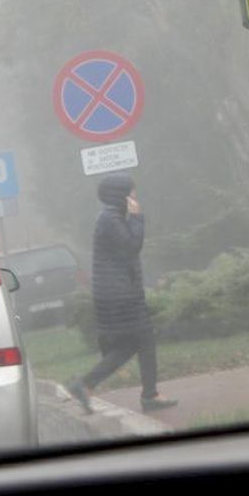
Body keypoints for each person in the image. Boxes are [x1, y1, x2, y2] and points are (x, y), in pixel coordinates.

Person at [67, 174, 177, 416]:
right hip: (120, 294)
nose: (136, 197)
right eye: (133, 192)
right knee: (144, 339)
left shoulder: (112, 217)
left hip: (117, 292)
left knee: (129, 345)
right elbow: (131, 246)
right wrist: (138, 217)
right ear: (122, 195)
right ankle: (149, 396)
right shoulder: (110, 218)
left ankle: (85, 384)